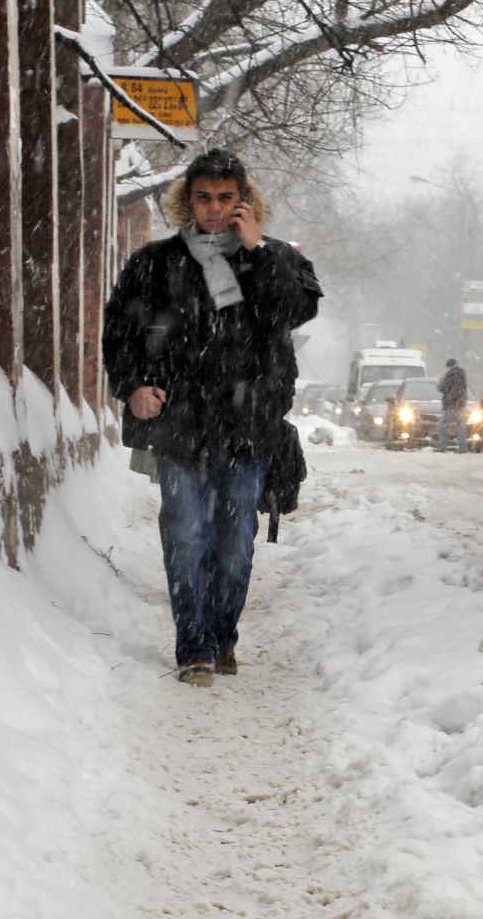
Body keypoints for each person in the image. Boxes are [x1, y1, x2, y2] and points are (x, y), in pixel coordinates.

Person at [103, 148, 321, 686]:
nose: (215, 209)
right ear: (187, 201)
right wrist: (131, 388)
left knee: (233, 546)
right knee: (186, 537)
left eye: (227, 198)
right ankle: (194, 646)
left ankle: (223, 635)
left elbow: (294, 311)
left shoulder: (276, 259)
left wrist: (259, 251)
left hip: (250, 429)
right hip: (180, 427)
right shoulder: (155, 263)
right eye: (204, 197)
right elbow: (119, 331)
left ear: (245, 202)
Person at [437, 357, 469, 451]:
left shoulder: (450, 375)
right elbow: (461, 389)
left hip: (449, 404)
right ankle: (463, 446)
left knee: (444, 425)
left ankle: (442, 446)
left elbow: (442, 388)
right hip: (460, 404)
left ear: (449, 366)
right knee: (461, 426)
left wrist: (441, 381)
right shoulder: (462, 375)